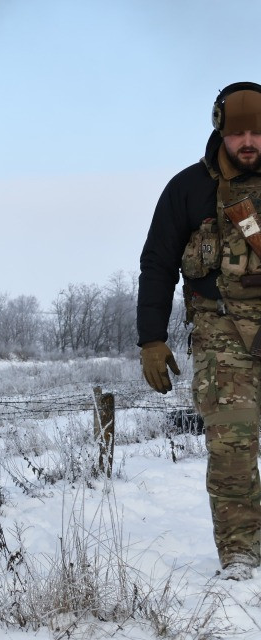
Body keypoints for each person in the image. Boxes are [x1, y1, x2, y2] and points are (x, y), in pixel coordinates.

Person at [138, 82, 261, 581]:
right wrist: (151, 337)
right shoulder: (187, 189)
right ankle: (240, 552)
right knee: (232, 447)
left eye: (257, 132)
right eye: (238, 133)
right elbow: (157, 264)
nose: (248, 141)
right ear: (220, 131)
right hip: (221, 336)